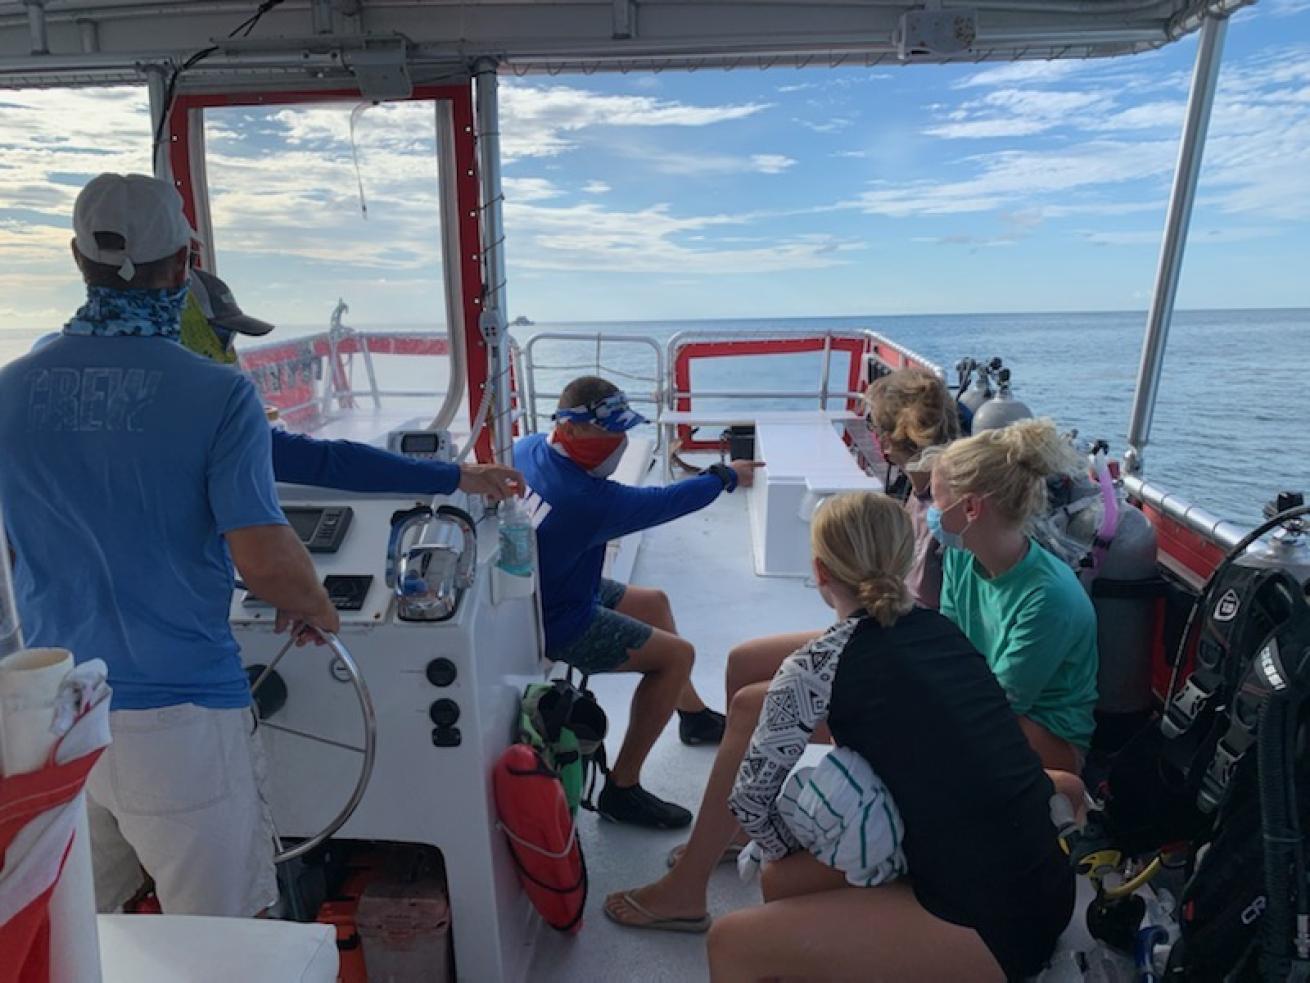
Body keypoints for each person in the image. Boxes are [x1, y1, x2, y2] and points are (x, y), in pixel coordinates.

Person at [0, 173, 336, 917]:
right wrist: (316, 606)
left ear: (76, 259)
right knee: (221, 942)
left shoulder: (10, 388)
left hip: (52, 717)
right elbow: (264, 557)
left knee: (78, 933)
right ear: (185, 263)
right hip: (178, 719)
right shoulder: (219, 395)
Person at [707, 492, 1074, 982]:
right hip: (1047, 891)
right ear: (906, 559)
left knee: (732, 941)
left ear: (820, 572)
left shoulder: (816, 665)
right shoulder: (944, 632)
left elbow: (751, 803)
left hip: (992, 930)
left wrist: (794, 846)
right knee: (789, 883)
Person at [515, 376, 759, 829]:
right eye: (611, 431)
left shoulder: (528, 448)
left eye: (625, 429)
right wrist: (725, 476)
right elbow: (663, 502)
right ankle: (622, 789)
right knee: (676, 657)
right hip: (558, 620)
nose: (622, 441)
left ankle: (693, 717)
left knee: (654, 602)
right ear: (573, 429)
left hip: (549, 587)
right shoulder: (585, 500)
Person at [720, 367, 959, 703]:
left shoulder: (948, 518)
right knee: (743, 662)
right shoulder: (919, 493)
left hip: (906, 654)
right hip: (880, 630)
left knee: (750, 703)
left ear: (887, 441)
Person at [181, 268, 523, 501]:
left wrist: (454, 474)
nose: (229, 352)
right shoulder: (205, 426)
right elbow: (324, 462)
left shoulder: (183, 413)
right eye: (220, 336)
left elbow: (321, 459)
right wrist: (455, 476)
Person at [927, 417, 1099, 773]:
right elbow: (947, 646)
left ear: (971, 508)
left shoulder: (1049, 597)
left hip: (1045, 735)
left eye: (936, 498)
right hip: (980, 701)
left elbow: (1000, 702)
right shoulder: (961, 556)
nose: (931, 511)